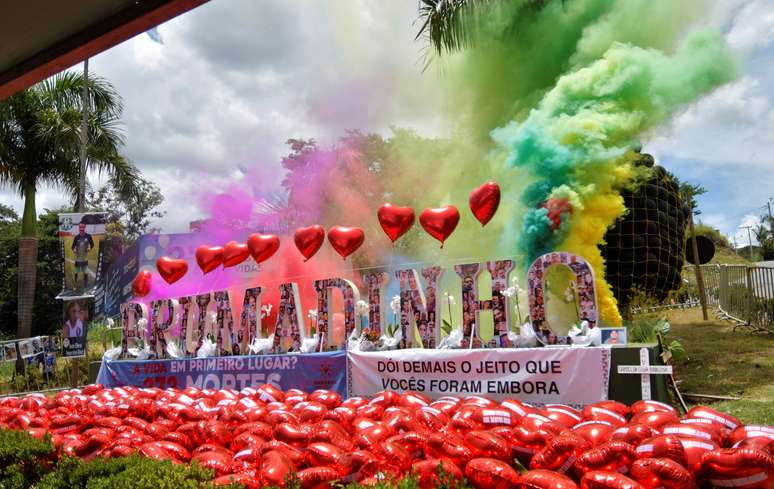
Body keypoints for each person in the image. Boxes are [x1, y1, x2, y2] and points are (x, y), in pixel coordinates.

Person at [71, 223, 94, 291]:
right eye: (80, 228)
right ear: (79, 228)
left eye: (82, 228)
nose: (81, 229)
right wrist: (74, 249)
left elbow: (92, 244)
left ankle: (86, 287)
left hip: (85, 258)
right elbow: (72, 246)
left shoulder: (88, 236)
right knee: (76, 272)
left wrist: (89, 248)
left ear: (84, 228)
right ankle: (75, 285)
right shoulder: (76, 237)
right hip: (78, 258)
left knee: (85, 273)